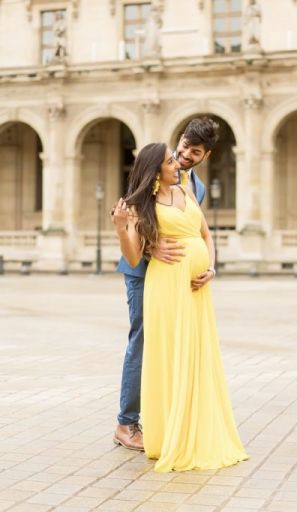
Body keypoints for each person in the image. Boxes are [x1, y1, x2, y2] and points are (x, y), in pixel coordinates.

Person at [112, 142, 248, 472]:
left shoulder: (188, 190)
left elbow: (205, 233)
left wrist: (212, 268)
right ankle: (135, 424)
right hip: (164, 285)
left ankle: (192, 422)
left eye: (182, 157)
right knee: (161, 351)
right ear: (156, 169)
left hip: (195, 287)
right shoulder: (139, 203)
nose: (178, 163)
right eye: (172, 159)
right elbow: (134, 254)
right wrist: (135, 237)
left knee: (196, 352)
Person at [113, 117, 218, 452]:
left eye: (195, 151)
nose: (185, 155)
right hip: (143, 273)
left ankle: (167, 416)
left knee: (173, 343)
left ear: (206, 156)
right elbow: (136, 218)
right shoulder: (154, 166)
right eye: (184, 146)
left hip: (176, 279)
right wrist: (150, 246)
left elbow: (195, 229)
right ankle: (126, 423)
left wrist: (210, 266)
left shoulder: (194, 188)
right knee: (143, 339)